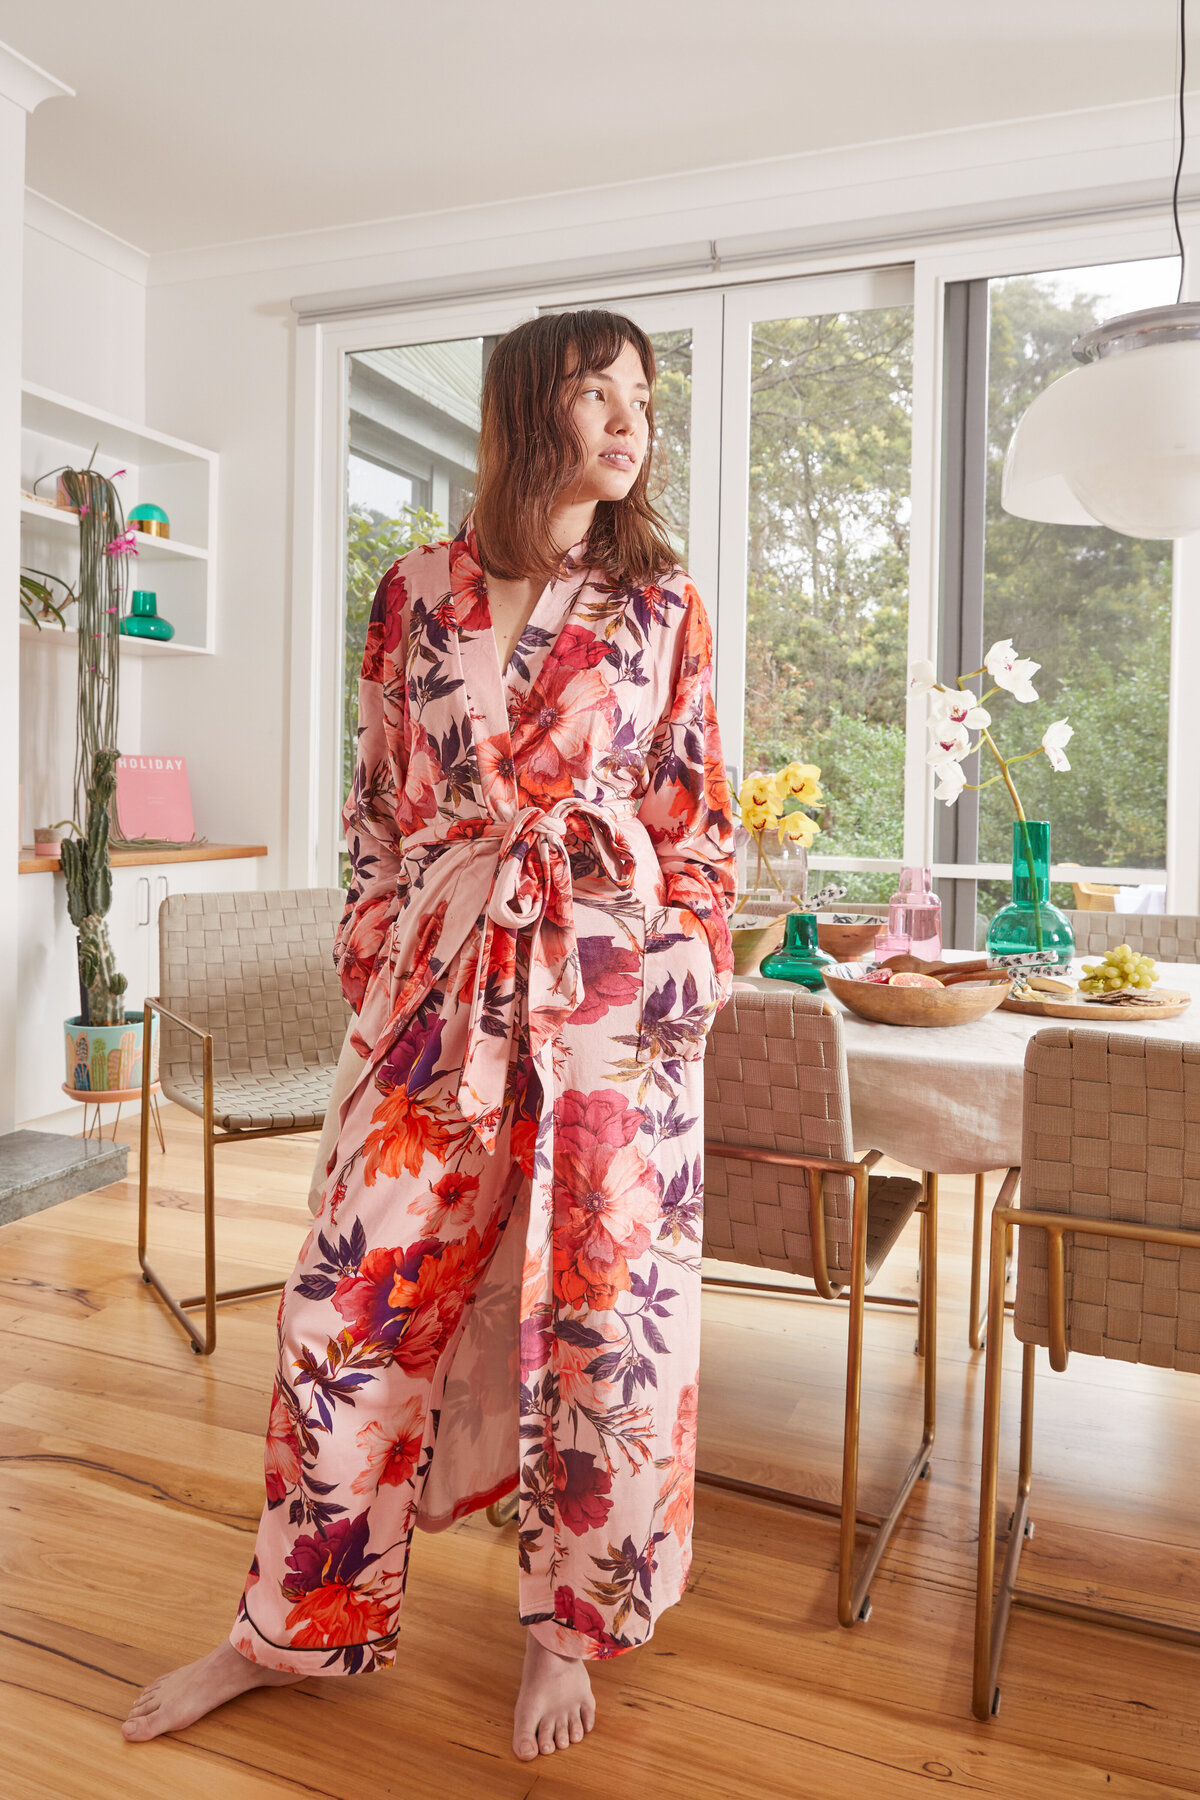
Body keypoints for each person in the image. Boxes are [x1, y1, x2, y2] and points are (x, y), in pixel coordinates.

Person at [121, 309, 736, 1760]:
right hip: (439, 991)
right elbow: (381, 815)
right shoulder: (411, 593)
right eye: (599, 391)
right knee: (343, 1313)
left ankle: (563, 1629)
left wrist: (682, 970)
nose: (631, 418)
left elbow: (695, 827)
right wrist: (375, 966)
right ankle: (286, 1624)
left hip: (603, 999)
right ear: (532, 408)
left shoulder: (664, 604)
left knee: (597, 1329)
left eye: (643, 395)